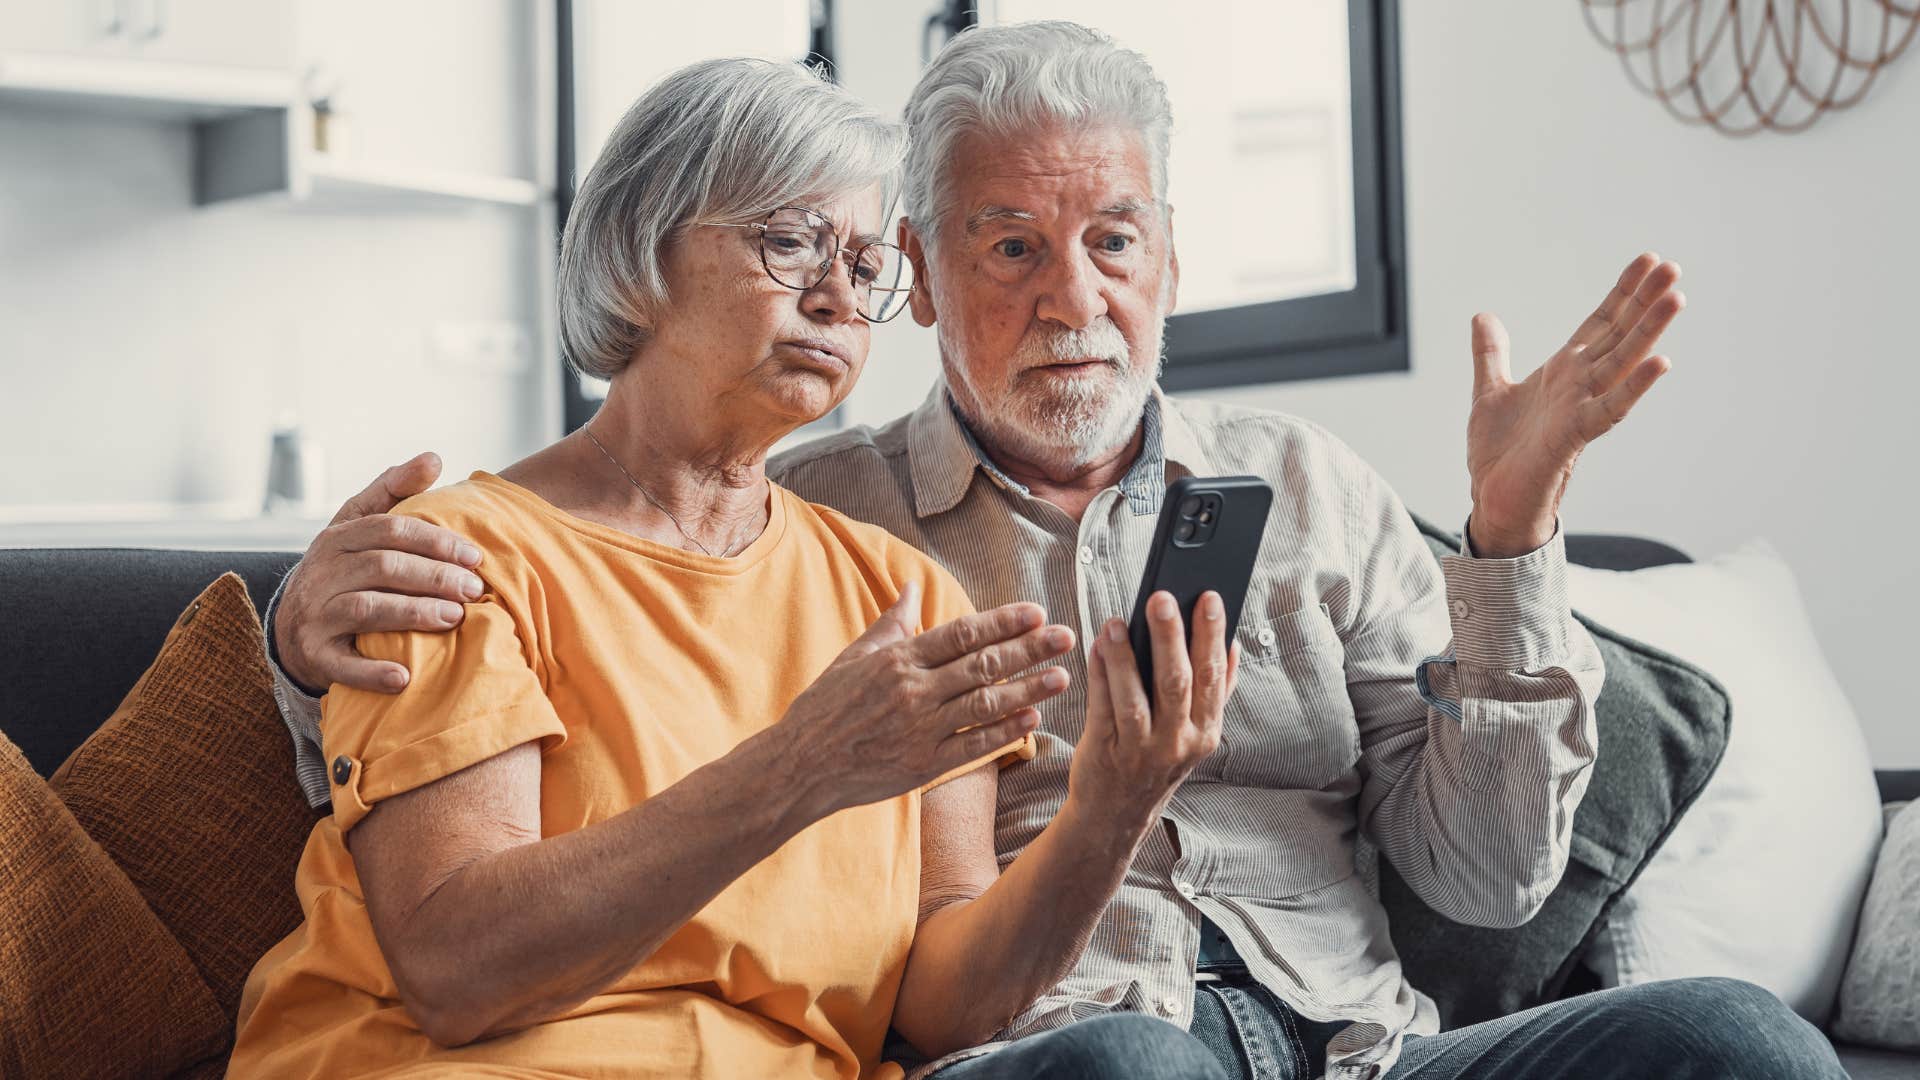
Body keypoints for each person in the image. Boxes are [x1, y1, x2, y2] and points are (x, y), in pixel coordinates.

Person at [262, 22, 1847, 1080]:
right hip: (1090, 1040)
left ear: (1171, 263)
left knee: (1738, 1043)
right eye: (1007, 248)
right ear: (939, 295)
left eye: (1112, 243)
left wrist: (1508, 540)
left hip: (1360, 1042)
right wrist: (292, 634)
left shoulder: (1278, 494)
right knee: (1121, 1067)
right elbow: (459, 771)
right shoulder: (827, 525)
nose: (1071, 298)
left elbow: (1491, 886)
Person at [229, 55, 1239, 1080]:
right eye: (792, 243)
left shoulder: (904, 596)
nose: (841, 297)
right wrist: (801, 765)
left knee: (1132, 1061)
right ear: (643, 253)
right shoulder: (459, 555)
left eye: (861, 262)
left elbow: (946, 1009)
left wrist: (1112, 810)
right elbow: (456, 969)